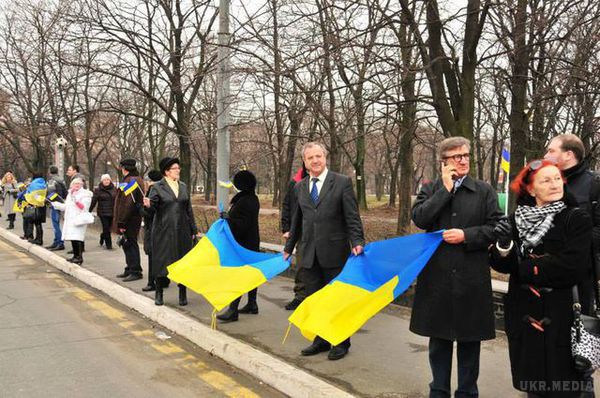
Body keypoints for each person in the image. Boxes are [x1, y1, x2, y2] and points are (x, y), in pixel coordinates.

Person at [490, 159, 595, 397]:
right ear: (530, 188)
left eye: (557, 178)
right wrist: (503, 245)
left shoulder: (576, 218)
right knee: (534, 389)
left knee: (565, 389)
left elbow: (572, 267)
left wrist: (525, 267)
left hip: (563, 317)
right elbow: (501, 265)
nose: (554, 184)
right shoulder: (517, 219)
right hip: (524, 316)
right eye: (546, 180)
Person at [411, 136, 501, 397]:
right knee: (439, 340)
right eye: (456, 157)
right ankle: (438, 390)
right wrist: (446, 191)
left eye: (465, 155)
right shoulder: (431, 187)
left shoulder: (484, 190)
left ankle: (467, 392)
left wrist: (467, 236)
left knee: (469, 341)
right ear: (444, 162)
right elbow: (420, 218)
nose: (463, 160)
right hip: (437, 277)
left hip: (471, 276)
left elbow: (496, 227)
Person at [283, 142, 365, 361]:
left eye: (318, 156)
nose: (315, 161)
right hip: (309, 253)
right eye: (310, 158)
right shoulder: (300, 187)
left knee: (336, 301)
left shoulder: (341, 182)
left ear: (325, 157)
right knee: (315, 300)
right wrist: (289, 247)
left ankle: (341, 342)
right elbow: (297, 220)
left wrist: (357, 240)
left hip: (334, 252)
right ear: (305, 162)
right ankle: (320, 340)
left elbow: (352, 217)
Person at [545, 134, 600, 316]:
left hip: (580, 279)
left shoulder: (594, 185)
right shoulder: (543, 182)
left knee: (575, 337)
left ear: (568, 154)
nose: (546, 156)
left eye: (551, 151)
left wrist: (571, 242)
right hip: (545, 274)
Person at [143, 157, 198, 306]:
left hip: (182, 230)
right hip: (163, 231)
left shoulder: (183, 186)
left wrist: (194, 228)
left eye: (178, 168)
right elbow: (152, 211)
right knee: (162, 262)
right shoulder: (157, 187)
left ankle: (182, 293)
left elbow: (188, 209)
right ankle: (159, 293)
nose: (178, 170)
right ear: (166, 172)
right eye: (175, 168)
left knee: (183, 262)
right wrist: (148, 205)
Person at [217, 170, 261, 323]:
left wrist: (228, 218)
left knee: (238, 276)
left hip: (243, 244)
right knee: (250, 274)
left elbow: (242, 224)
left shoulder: (244, 201)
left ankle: (233, 310)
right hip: (251, 241)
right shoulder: (251, 198)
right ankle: (252, 303)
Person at [282, 165, 309, 311]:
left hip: (321, 232)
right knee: (301, 266)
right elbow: (287, 205)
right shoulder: (295, 183)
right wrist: (286, 228)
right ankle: (300, 296)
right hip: (300, 231)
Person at [113, 158, 145, 282]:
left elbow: (128, 203)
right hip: (130, 218)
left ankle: (135, 270)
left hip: (130, 219)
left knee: (131, 243)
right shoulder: (132, 179)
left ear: (124, 168)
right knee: (127, 244)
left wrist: (122, 221)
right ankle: (130, 268)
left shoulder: (131, 181)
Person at [51, 178, 93, 265]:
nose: (77, 185)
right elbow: (66, 206)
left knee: (78, 238)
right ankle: (75, 256)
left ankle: (79, 257)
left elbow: (84, 207)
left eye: (79, 184)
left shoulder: (85, 194)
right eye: (75, 184)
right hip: (70, 219)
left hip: (79, 219)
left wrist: (76, 200)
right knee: (73, 238)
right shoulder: (70, 194)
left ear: (82, 185)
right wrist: (56, 205)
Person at [141, 170, 164, 292]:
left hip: (152, 227)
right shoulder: (164, 189)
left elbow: (152, 212)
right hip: (162, 228)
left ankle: (152, 282)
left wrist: (141, 209)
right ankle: (164, 280)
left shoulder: (152, 190)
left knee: (152, 255)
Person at [90, 174, 117, 250]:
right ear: (102, 181)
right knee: (106, 228)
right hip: (103, 212)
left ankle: (103, 236)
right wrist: (89, 210)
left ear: (110, 180)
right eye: (104, 180)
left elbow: (118, 200)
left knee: (109, 228)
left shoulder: (114, 189)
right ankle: (109, 245)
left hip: (112, 211)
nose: (106, 181)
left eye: (108, 180)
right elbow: (94, 201)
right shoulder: (98, 190)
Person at [46, 166, 68, 251]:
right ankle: (56, 241)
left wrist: (47, 200)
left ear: (50, 172)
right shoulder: (61, 179)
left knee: (55, 224)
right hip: (59, 202)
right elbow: (65, 192)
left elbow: (52, 193)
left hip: (55, 204)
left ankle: (60, 242)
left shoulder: (52, 181)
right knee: (56, 223)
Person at [26, 172, 47, 246]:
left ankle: (38, 240)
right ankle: (39, 238)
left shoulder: (33, 184)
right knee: (39, 223)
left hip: (34, 204)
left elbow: (29, 193)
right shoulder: (44, 183)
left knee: (36, 223)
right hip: (42, 205)